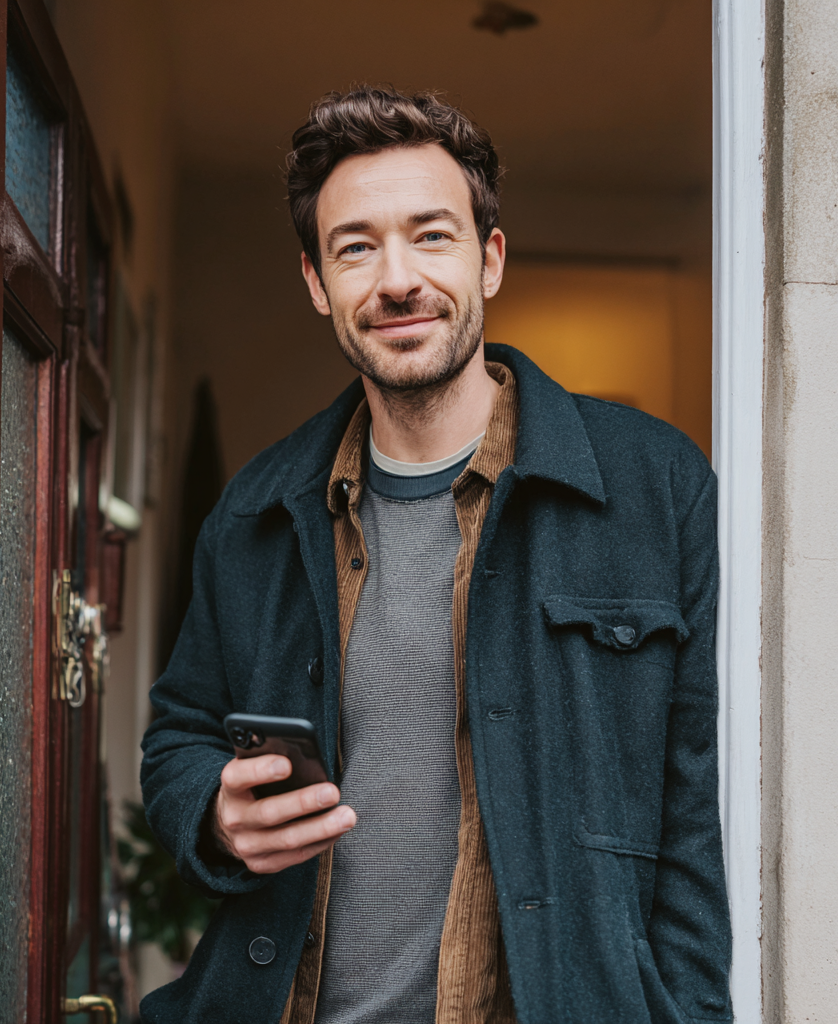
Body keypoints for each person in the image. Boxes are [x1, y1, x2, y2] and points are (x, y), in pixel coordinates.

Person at [140, 86, 732, 1024]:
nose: (397, 279)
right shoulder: (253, 511)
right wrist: (213, 814)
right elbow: (178, 734)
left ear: (489, 259)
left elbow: (694, 817)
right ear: (314, 281)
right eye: (356, 247)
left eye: (431, 235)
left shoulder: (655, 488)